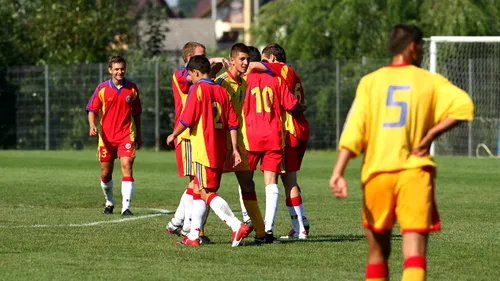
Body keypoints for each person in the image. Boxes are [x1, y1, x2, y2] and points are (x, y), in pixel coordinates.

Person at [329, 24, 474, 281]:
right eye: (420, 47)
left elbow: (355, 130)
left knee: (377, 253)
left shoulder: (370, 82)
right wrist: (430, 135)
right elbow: (463, 106)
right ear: (412, 47)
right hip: (415, 174)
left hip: (377, 175)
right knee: (415, 255)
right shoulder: (429, 81)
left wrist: (339, 172)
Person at [166, 55, 251, 247]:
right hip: (219, 148)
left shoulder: (198, 89)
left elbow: (187, 119)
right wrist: (235, 149)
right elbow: (233, 123)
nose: (190, 79)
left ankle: (236, 225)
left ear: (196, 73)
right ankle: (194, 237)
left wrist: (173, 134)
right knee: (199, 189)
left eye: (190, 75)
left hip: (204, 149)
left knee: (206, 192)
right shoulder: (221, 90)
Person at [241, 45, 306, 242]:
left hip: (284, 131)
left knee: (250, 179)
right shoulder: (281, 77)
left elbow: (253, 67)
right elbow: (292, 102)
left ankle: (298, 226)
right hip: (285, 132)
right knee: (286, 181)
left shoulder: (281, 70)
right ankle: (297, 225)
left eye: (265, 61)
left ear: (271, 59)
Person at [165, 42, 228, 244]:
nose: (206, 58)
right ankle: (188, 229)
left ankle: (180, 224)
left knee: (196, 183)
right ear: (190, 57)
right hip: (187, 135)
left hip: (197, 135)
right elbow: (190, 80)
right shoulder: (181, 75)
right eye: (202, 56)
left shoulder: (202, 78)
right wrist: (214, 62)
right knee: (198, 184)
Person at [86, 55, 142, 216]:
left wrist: (139, 134)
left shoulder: (132, 89)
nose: (120, 72)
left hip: (126, 135)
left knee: (127, 167)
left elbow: (137, 113)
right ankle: (109, 202)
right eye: (116, 69)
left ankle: (126, 208)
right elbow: (92, 110)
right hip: (106, 138)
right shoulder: (102, 88)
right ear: (110, 70)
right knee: (106, 173)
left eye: (122, 69)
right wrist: (92, 125)